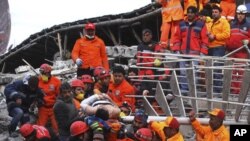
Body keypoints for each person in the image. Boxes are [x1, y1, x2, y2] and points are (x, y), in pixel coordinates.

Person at [172, 6, 208, 93]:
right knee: (183, 72)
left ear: (195, 14)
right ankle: (184, 90)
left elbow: (205, 40)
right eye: (188, 12)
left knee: (194, 73)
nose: (190, 14)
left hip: (195, 54)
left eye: (192, 12)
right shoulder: (181, 24)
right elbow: (177, 38)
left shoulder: (201, 24)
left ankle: (193, 91)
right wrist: (177, 50)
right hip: (183, 53)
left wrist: (203, 53)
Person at [226, 4, 250, 94]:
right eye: (239, 13)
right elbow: (228, 35)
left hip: (242, 52)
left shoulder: (248, 25)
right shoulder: (232, 24)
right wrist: (227, 44)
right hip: (231, 51)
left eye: (242, 14)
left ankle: (238, 91)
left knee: (240, 72)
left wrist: (248, 41)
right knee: (231, 71)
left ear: (245, 15)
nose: (240, 15)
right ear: (236, 14)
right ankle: (232, 90)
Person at [207, 4, 230, 93]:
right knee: (210, 70)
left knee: (217, 70)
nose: (214, 13)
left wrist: (215, 36)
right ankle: (211, 91)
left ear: (220, 13)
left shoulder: (224, 22)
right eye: (213, 12)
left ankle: (218, 91)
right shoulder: (210, 22)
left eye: (216, 12)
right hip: (210, 48)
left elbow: (227, 34)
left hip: (219, 48)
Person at [37, 63, 61, 134]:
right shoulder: (38, 81)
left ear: (49, 73)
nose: (44, 75)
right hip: (42, 108)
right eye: (42, 74)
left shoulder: (56, 81)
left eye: (45, 73)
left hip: (53, 107)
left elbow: (59, 95)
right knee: (40, 127)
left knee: (56, 127)